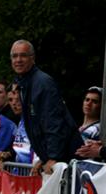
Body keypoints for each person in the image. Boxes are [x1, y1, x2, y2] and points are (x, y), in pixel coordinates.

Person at [10, 40, 83, 175]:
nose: (18, 60)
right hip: (55, 157)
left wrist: (53, 157)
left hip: (66, 159)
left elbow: (53, 122)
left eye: (23, 55)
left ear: (33, 58)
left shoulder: (42, 83)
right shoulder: (25, 84)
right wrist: (43, 158)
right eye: (15, 56)